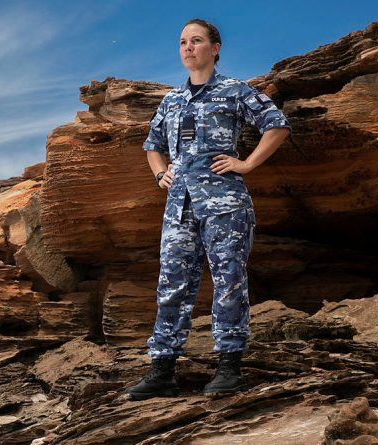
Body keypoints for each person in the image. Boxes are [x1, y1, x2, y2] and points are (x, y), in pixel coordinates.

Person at [124, 18, 291, 400]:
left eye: (196, 40)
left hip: (224, 205)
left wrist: (246, 163)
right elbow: (152, 144)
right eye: (183, 41)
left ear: (215, 48)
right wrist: (160, 173)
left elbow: (277, 124)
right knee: (172, 285)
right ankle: (162, 370)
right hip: (179, 206)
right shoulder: (171, 99)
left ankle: (230, 367)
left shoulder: (234, 91)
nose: (188, 47)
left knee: (229, 281)